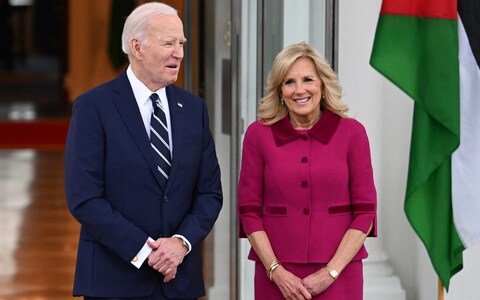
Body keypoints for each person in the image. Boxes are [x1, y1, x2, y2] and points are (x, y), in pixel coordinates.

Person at [64, 2, 223, 300]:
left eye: (181, 43)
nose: (179, 53)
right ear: (136, 47)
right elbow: (84, 197)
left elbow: (210, 193)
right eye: (168, 43)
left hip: (179, 281)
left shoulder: (194, 110)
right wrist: (145, 252)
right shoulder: (93, 108)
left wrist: (180, 243)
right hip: (114, 281)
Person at [237, 42, 377, 300]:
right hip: (276, 278)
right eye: (289, 82)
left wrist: (330, 272)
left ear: (322, 85)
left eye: (308, 80)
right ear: (279, 91)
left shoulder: (352, 133)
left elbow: (365, 212)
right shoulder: (258, 135)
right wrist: (277, 272)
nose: (299, 90)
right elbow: (249, 212)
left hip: (340, 275)